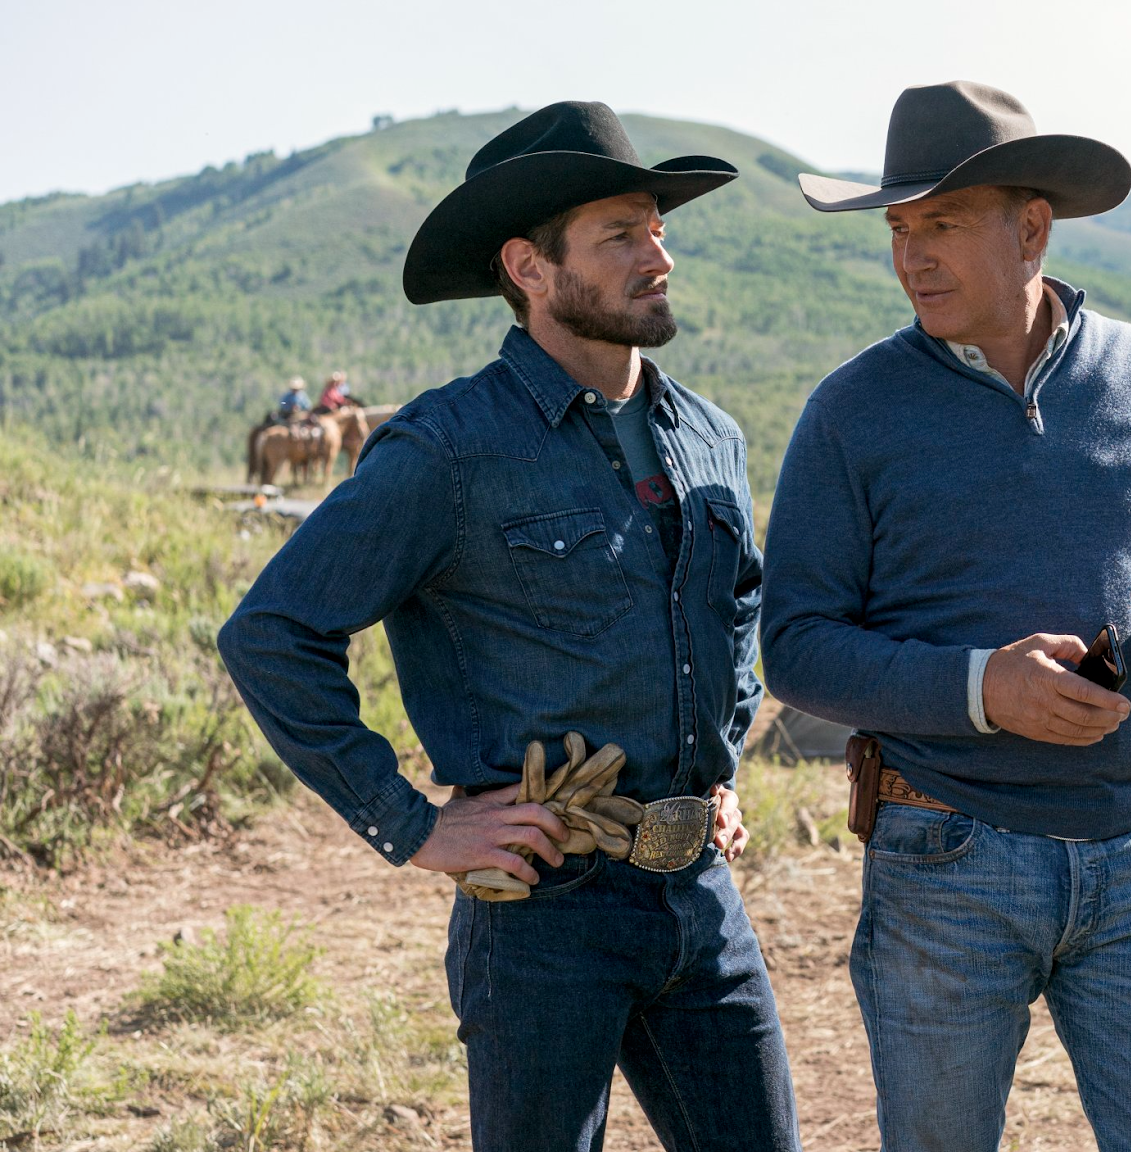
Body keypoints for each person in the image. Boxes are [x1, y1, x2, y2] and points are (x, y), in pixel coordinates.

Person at [216, 102, 799, 1152]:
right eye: (620, 235)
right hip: (542, 912)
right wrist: (415, 827)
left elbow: (739, 605)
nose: (658, 255)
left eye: (658, 228)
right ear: (530, 267)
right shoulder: (448, 448)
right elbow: (271, 633)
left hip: (701, 897)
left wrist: (719, 762)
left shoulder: (712, 437)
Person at [762, 81, 1131, 1152]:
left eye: (940, 224)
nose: (912, 257)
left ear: (1031, 229)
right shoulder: (851, 411)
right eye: (899, 230)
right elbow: (792, 647)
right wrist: (985, 688)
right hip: (944, 858)